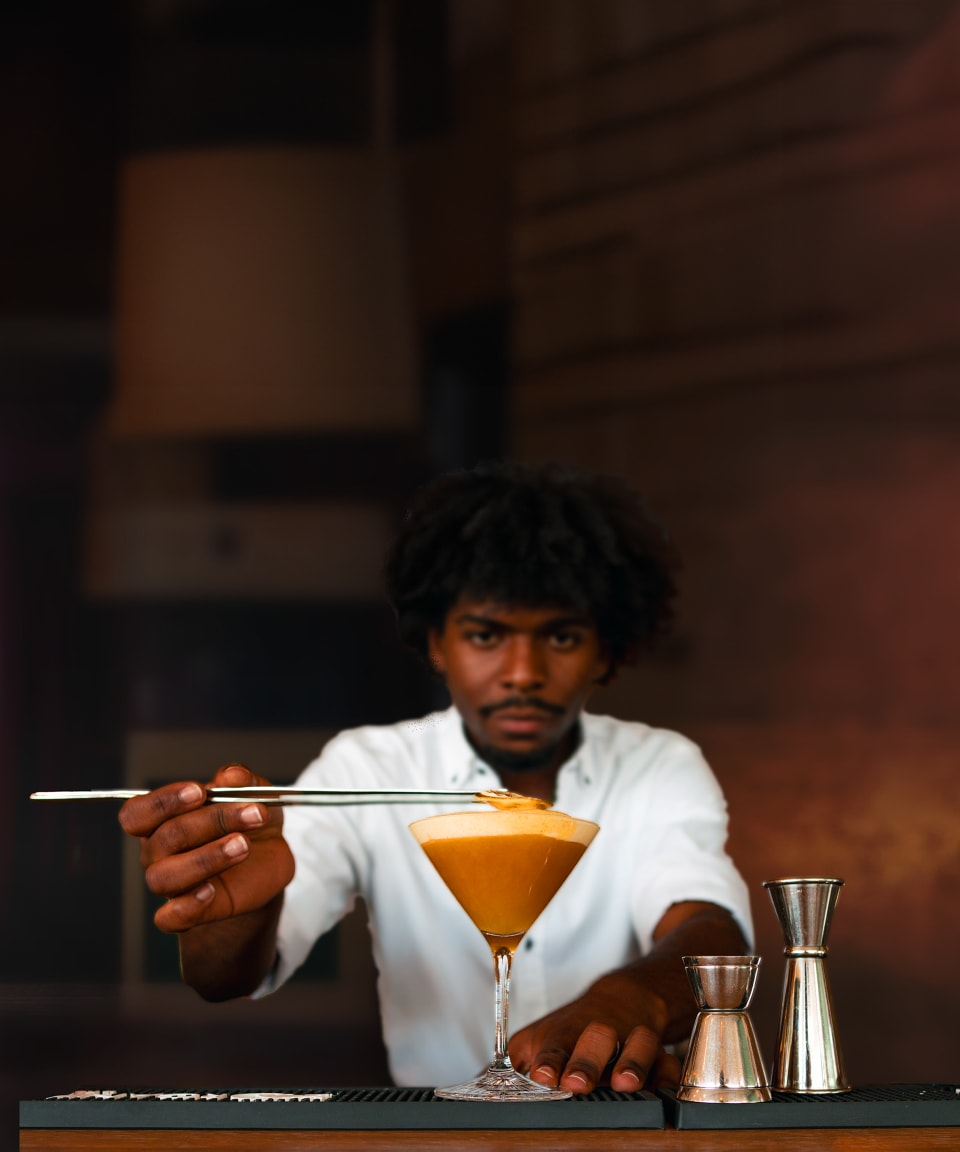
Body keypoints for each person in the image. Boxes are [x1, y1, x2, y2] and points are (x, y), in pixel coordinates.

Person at [119, 460, 751, 1096]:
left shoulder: (658, 764)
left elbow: (711, 931)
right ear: (438, 644)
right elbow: (226, 976)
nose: (523, 672)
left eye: (560, 637)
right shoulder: (369, 768)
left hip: (619, 1129)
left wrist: (628, 997)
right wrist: (232, 908)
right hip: (437, 1135)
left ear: (606, 650)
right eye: (486, 635)